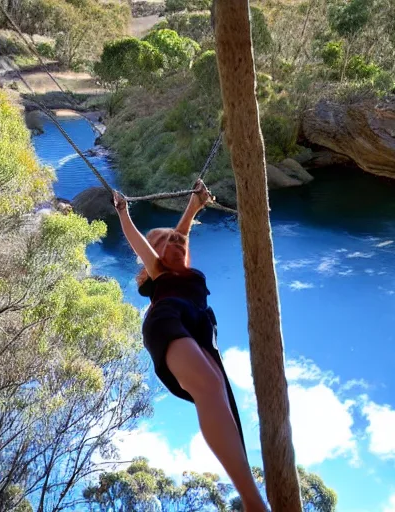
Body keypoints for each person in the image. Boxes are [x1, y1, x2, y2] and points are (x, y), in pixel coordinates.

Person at [113, 180, 268, 512]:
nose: (174, 242)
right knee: (209, 386)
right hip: (169, 319)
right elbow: (142, 243)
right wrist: (124, 213)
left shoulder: (183, 264)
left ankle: (252, 500)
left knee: (223, 401)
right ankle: (254, 503)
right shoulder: (159, 273)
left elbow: (179, 236)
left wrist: (194, 206)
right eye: (162, 245)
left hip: (201, 331)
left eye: (177, 240)